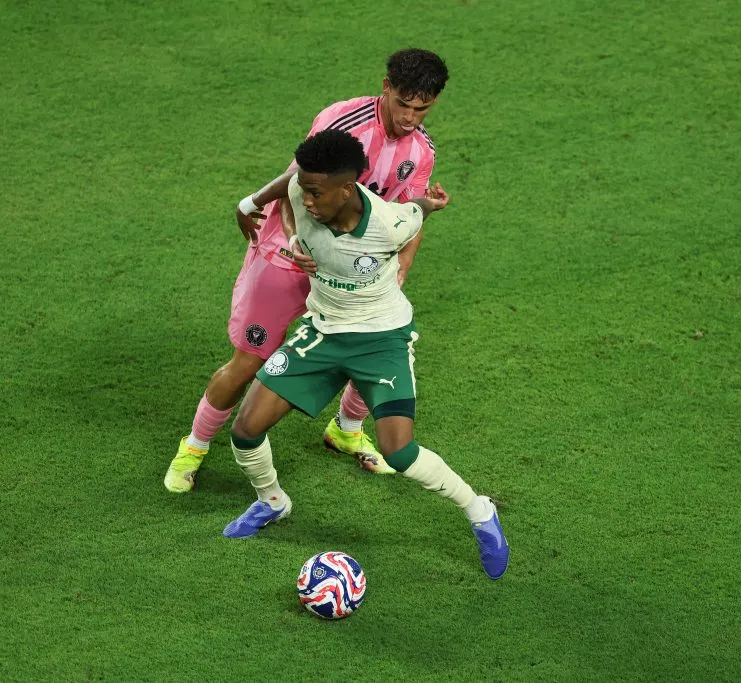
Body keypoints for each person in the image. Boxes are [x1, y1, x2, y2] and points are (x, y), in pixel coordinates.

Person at [221, 129, 509, 580]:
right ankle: (271, 501)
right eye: (306, 188)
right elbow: (287, 195)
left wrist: (431, 204)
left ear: (348, 187)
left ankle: (479, 509)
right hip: (323, 331)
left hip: (381, 337)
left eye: (317, 192)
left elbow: (418, 212)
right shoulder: (303, 188)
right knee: (245, 429)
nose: (308, 199)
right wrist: (287, 234)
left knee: (400, 451)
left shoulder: (391, 223)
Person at [165, 49, 449, 493]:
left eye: (423, 108)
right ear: (386, 87)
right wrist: (283, 228)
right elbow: (300, 183)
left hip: (355, 270)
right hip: (288, 257)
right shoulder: (344, 120)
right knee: (249, 360)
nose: (411, 117)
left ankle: (346, 430)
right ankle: (194, 447)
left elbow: (408, 214)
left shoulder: (422, 151)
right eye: (404, 104)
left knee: (370, 346)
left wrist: (400, 269)